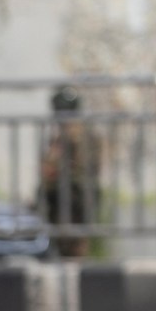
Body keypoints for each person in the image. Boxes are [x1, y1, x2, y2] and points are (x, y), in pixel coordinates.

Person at [38, 86, 106, 258]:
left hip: (71, 197)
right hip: (75, 196)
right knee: (71, 248)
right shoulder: (82, 132)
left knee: (70, 249)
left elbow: (56, 167)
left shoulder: (72, 134)